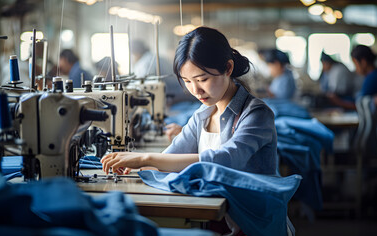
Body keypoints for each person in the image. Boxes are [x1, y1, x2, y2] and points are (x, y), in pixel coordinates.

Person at [102, 26, 277, 176]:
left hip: (251, 213)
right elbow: (171, 156)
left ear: (228, 68)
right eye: (187, 81)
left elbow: (227, 160)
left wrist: (145, 158)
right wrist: (138, 165)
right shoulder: (203, 115)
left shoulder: (256, 114)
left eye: (202, 80)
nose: (195, 90)